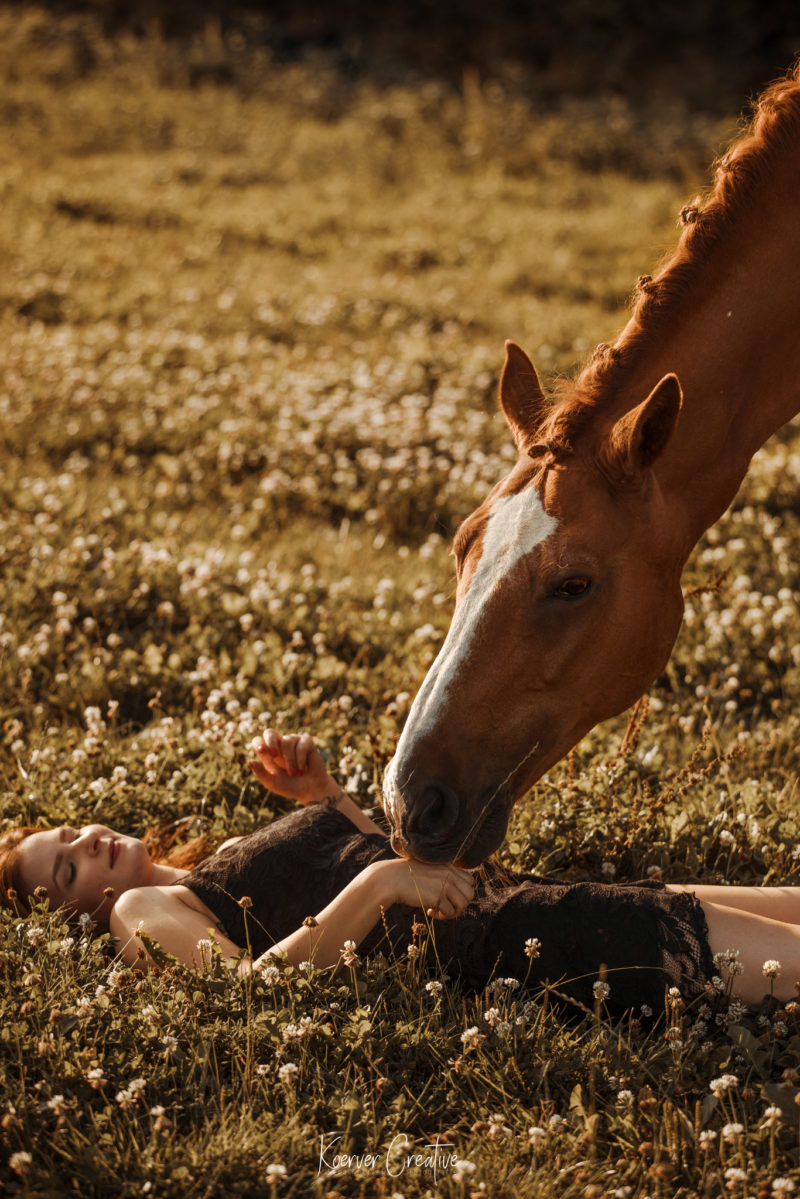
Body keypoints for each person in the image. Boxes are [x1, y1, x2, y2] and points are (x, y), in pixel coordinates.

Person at [2, 730, 800, 1014]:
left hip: (535, 903)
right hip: (529, 946)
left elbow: (381, 860)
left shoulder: (204, 871)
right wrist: (379, 887)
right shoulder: (138, 907)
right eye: (65, 869)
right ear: (74, 912)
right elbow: (246, 993)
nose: (88, 842)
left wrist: (324, 798)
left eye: (69, 832)